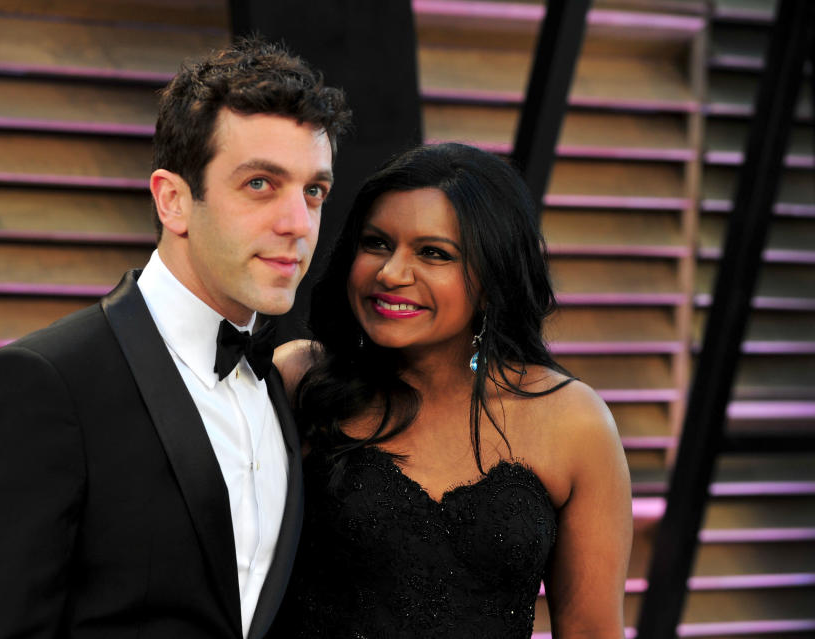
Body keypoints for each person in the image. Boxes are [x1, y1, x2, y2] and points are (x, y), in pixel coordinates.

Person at [0, 38, 350, 639]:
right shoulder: (42, 384)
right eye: (261, 184)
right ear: (173, 200)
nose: (298, 224)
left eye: (314, 191)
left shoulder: (283, 384)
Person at [270, 143, 633, 638]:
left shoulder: (574, 422)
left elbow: (592, 631)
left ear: (491, 278)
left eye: (433, 253)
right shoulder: (299, 378)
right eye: (376, 243)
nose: (391, 273)